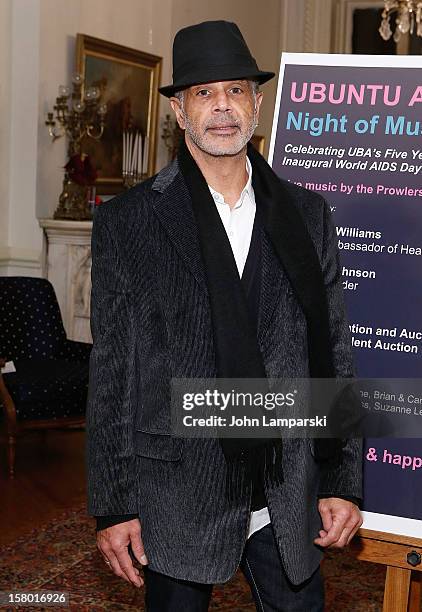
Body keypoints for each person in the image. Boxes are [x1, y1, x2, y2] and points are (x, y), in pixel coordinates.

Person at [87, 20, 363, 612]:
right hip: (178, 489)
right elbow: (113, 372)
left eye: (235, 90)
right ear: (180, 113)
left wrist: (341, 479)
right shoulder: (129, 222)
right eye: (203, 93)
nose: (222, 107)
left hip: (287, 485)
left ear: (257, 104)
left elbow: (333, 349)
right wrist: (114, 504)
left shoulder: (307, 215)